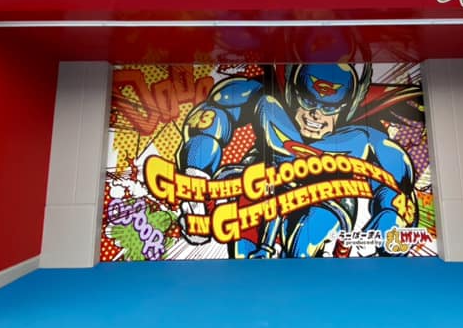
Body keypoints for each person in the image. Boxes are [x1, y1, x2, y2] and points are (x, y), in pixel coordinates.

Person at [175, 63, 419, 258]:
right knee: (243, 257)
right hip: (260, 184)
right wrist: (196, 176)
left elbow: (396, 182)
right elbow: (213, 114)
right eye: (308, 101)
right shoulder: (266, 102)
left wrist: (385, 227)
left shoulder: (362, 136)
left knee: (303, 251)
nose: (316, 115)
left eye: (329, 108)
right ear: (293, 92)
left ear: (347, 106)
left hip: (329, 195)